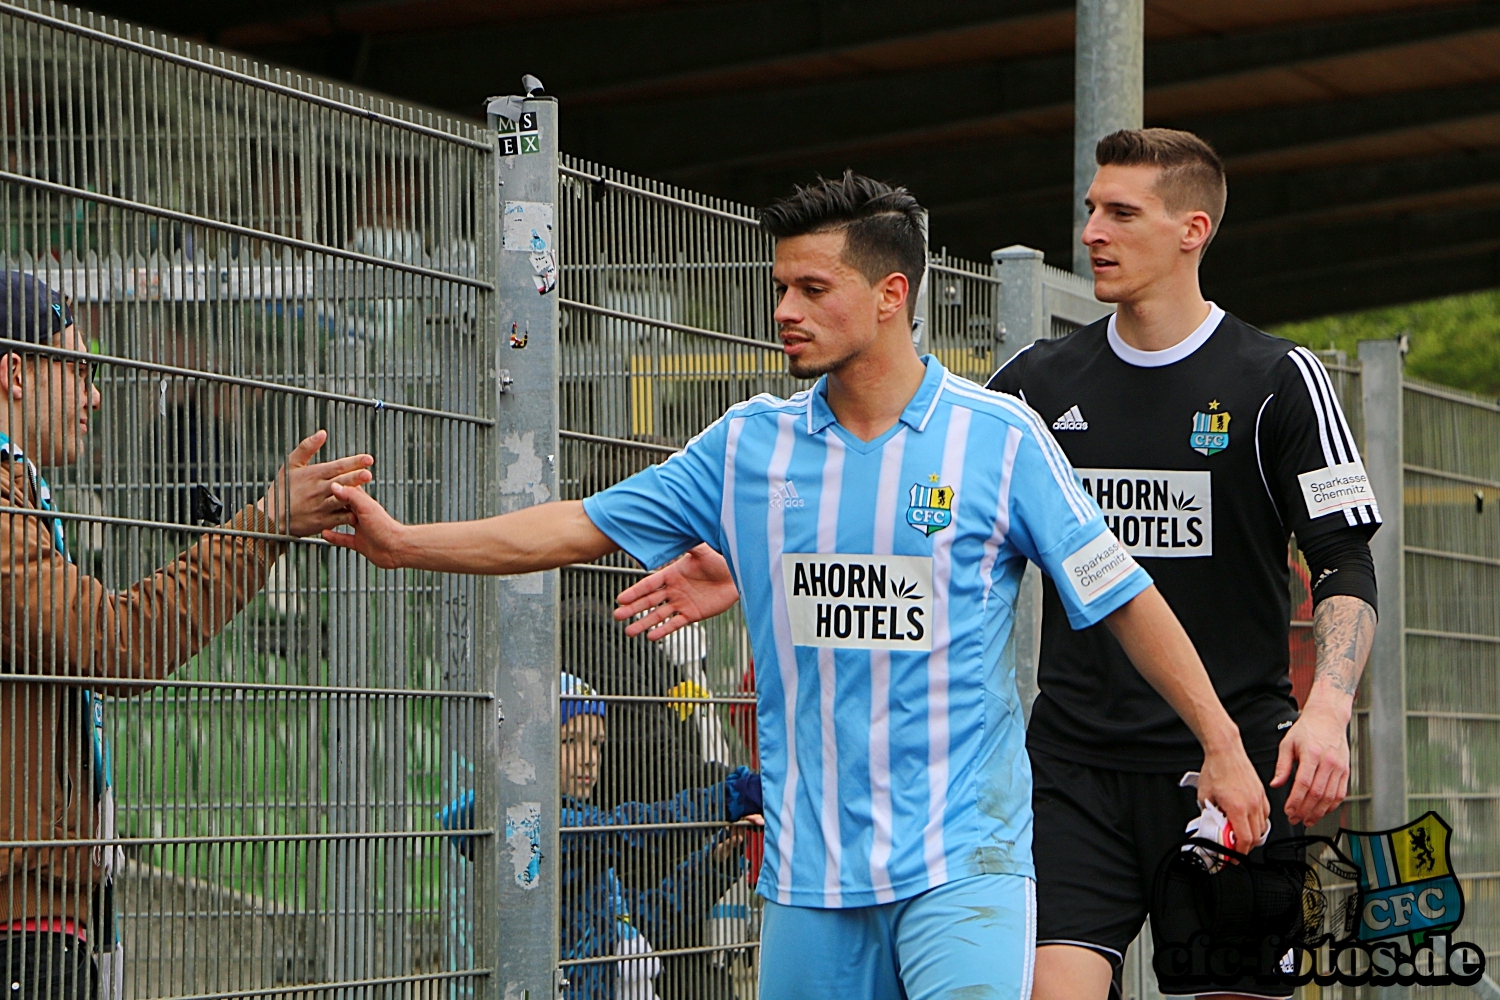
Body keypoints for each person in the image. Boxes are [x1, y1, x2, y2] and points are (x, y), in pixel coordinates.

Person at [326, 171, 1269, 1000]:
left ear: (892, 294)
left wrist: (1221, 743)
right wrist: (408, 543)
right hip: (809, 878)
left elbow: (1124, 597)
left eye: (815, 289)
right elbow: (576, 524)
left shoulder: (1000, 437)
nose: (786, 309)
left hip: (963, 864)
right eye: (780, 288)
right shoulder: (748, 444)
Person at [612, 132, 1380, 1000]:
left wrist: (1328, 709)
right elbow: (919, 493)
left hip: (1232, 752)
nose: (1094, 229)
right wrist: (753, 565)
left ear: (1192, 229)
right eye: (1091, 208)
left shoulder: (1278, 378)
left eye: (1121, 213)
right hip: (1072, 769)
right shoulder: (1034, 387)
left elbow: (1344, 563)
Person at [0, 271, 374, 1000]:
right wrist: (264, 525)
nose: (95, 394)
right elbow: (113, 643)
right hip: (21, 928)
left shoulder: (23, 497)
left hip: (46, 916)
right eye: (78, 368)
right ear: (14, 372)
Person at [440, 673, 762, 1000]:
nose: (589, 757)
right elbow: (627, 833)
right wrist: (728, 797)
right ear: (528, 746)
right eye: (570, 741)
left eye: (596, 743)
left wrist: (712, 865)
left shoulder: (581, 832)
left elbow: (646, 919)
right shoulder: (526, 827)